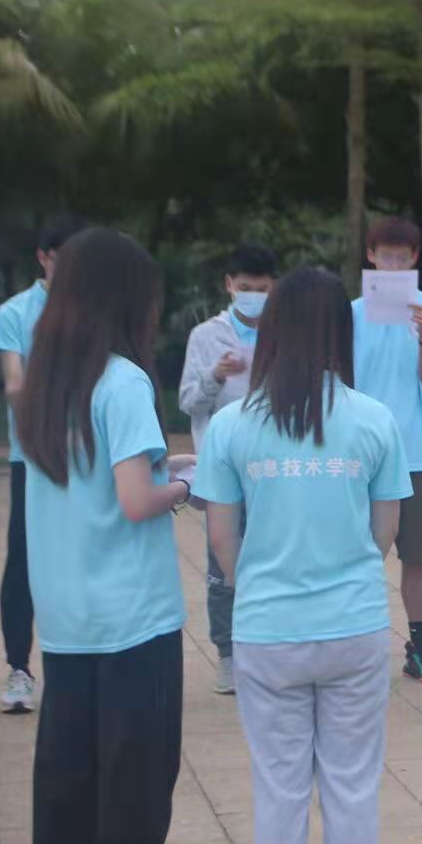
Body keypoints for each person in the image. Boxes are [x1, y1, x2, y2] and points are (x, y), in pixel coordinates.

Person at [195, 267, 409, 844]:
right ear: (340, 334)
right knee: (351, 788)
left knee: (280, 790)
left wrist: (258, 583)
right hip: (352, 625)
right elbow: (385, 530)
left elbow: (221, 538)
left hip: (267, 630)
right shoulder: (373, 419)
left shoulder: (233, 425)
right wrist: (344, 574)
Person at [16, 227, 195, 844]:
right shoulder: (122, 382)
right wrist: (184, 484)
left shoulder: (43, 382)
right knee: (134, 780)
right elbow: (133, 500)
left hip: (65, 615)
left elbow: (92, 481)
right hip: (132, 616)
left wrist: (160, 470)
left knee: (66, 778)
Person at [350, 217, 422, 686]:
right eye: (385, 256)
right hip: (356, 451)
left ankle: (419, 645)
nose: (393, 265)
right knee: (352, 553)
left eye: (402, 257)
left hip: (413, 450)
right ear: (371, 257)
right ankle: (352, 645)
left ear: (415, 259)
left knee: (416, 555)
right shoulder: (350, 313)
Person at [0, 215, 82, 715]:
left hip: (86, 456)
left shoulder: (93, 310)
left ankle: (76, 661)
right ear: (44, 257)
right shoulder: (14, 313)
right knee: (23, 560)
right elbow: (14, 384)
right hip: (33, 455)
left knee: (79, 557)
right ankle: (19, 669)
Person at [179, 242, 281, 694]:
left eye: (261, 289)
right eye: (244, 287)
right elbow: (188, 402)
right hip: (223, 469)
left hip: (275, 468)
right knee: (223, 562)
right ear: (228, 285)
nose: (252, 296)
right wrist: (215, 376)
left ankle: (270, 647)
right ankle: (228, 653)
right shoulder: (206, 336)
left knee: (272, 559)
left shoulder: (285, 333)